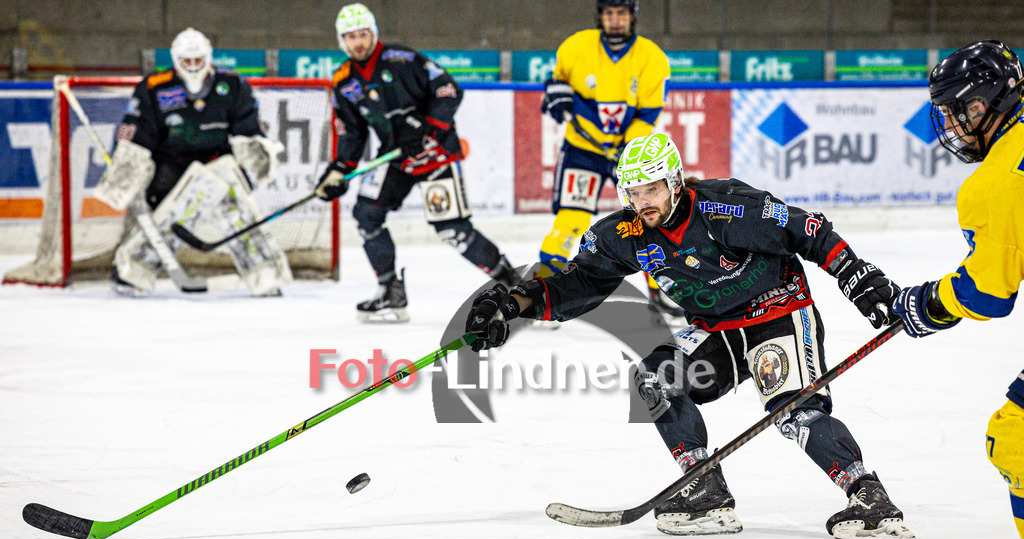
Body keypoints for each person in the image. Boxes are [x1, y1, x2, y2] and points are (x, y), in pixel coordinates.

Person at [467, 132, 915, 539]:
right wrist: (511, 305)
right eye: (634, 192)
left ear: (676, 182)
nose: (644, 202)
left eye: (653, 189)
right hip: (714, 329)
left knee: (794, 414)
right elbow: (577, 282)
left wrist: (857, 276)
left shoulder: (728, 207)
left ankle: (870, 499)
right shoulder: (626, 234)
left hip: (776, 314)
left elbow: (807, 230)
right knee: (656, 377)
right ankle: (704, 490)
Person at [892, 40, 1024, 539]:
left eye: (955, 110)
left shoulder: (995, 182)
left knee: (1015, 438)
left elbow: (988, 294)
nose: (949, 124)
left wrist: (927, 304)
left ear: (984, 103)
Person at [316, 3, 518, 323]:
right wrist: (340, 169)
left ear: (374, 34)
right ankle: (390, 291)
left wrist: (429, 130)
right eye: (350, 37)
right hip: (396, 158)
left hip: (435, 153)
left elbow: (449, 90)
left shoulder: (402, 59)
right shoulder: (343, 81)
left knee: (451, 228)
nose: (358, 42)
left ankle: (515, 288)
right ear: (342, 41)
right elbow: (352, 132)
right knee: (366, 214)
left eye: (363, 34)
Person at [95, 27, 290, 296]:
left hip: (218, 162)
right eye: (187, 61)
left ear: (208, 58)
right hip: (171, 168)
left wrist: (258, 153)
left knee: (238, 208)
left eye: (199, 60)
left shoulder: (232, 85)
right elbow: (135, 131)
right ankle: (133, 270)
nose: (194, 66)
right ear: (176, 61)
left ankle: (264, 273)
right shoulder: (154, 87)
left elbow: (249, 129)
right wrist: (126, 164)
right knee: (174, 219)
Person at [534, 0, 680, 324]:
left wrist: (626, 148)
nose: (615, 21)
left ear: (633, 17)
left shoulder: (651, 57)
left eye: (622, 14)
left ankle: (665, 288)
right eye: (609, 14)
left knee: (648, 219)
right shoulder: (574, 48)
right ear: (600, 16)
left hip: (630, 156)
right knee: (570, 220)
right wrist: (557, 101)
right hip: (581, 152)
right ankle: (547, 291)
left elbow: (648, 112)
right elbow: (557, 94)